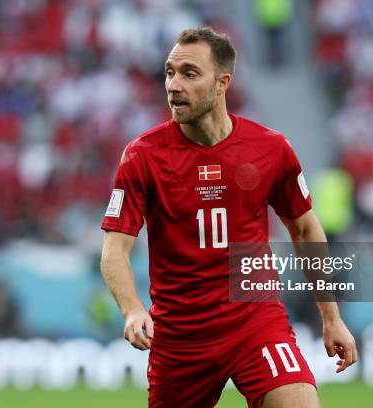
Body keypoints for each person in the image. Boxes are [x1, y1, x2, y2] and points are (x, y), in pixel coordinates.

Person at [100, 26, 357, 408]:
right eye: (170, 72)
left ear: (222, 83)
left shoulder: (270, 149)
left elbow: (304, 228)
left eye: (189, 74)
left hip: (255, 321)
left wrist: (331, 316)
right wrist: (133, 310)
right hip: (181, 337)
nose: (173, 84)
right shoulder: (143, 156)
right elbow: (114, 251)